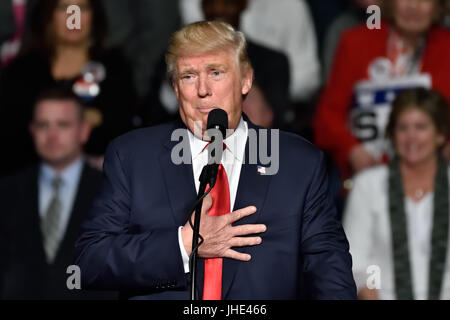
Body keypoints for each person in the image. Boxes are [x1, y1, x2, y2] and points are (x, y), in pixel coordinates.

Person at [74, 21, 356, 300]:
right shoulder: (133, 156)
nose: (202, 90)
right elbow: (90, 263)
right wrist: (184, 244)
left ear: (246, 80)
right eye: (188, 76)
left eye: (216, 73)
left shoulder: (297, 162)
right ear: (175, 88)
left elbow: (329, 273)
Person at [0, 86, 117, 299]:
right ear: (32, 131)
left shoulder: (112, 191)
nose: (52, 135)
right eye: (43, 125)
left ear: (84, 130)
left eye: (63, 125)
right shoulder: (7, 192)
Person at [314, 0, 450, 180]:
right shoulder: (355, 42)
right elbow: (327, 116)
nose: (413, 6)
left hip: (436, 173)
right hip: (366, 174)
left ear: (438, 7)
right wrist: (351, 150)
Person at [0, 0, 136, 177]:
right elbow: (11, 141)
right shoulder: (22, 71)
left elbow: (122, 134)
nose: (74, 18)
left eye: (82, 8)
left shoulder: (115, 68)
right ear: (48, 16)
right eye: (65, 8)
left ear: (95, 15)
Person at [343, 88, 450, 300]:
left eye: (420, 127)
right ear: (392, 134)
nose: (411, 137)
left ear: (440, 134)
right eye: (403, 128)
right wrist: (370, 292)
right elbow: (356, 260)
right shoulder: (369, 185)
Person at [180, 0, 320, 104]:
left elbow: (308, 78)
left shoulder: (290, 6)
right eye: (212, 4)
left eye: (227, 4)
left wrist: (263, 92)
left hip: (270, 113)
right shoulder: (184, 55)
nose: (219, 9)